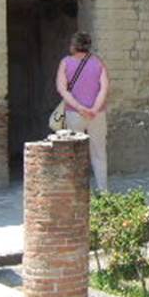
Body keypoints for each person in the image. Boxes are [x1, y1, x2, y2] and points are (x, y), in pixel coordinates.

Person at [56, 31, 109, 192]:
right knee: (99, 153)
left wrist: (80, 108)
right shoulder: (99, 63)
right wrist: (94, 109)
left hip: (74, 113)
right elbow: (104, 88)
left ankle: (77, 191)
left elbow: (62, 90)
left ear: (73, 46)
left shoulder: (65, 62)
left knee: (75, 152)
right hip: (97, 114)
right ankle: (103, 191)